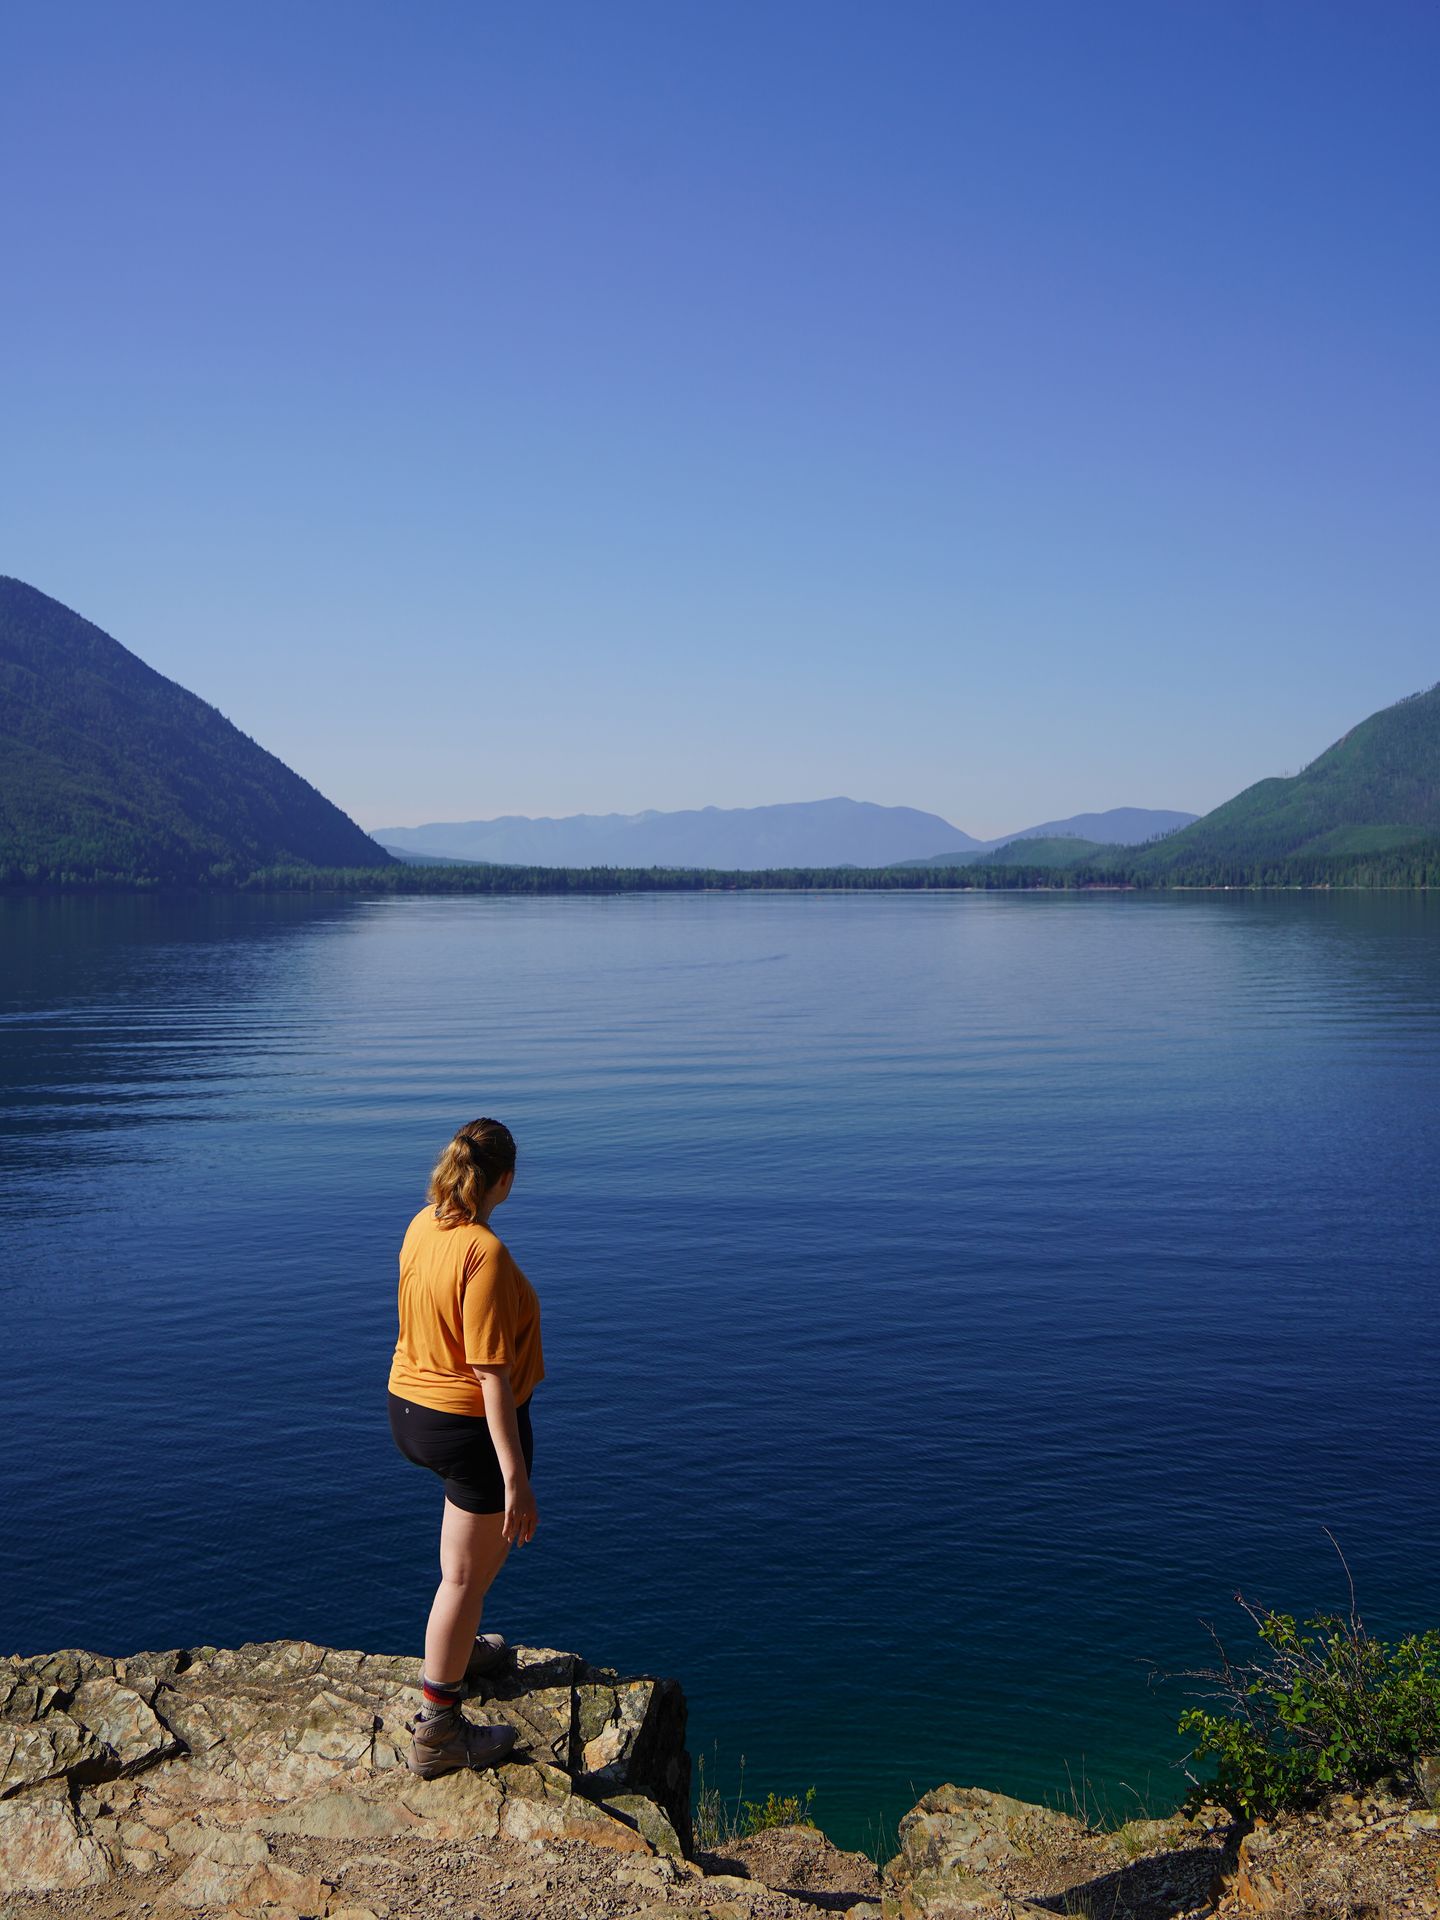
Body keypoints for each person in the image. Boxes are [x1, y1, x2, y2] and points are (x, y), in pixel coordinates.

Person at [387, 1117, 543, 1778]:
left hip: (407, 1406)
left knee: (465, 1573)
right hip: (466, 1423)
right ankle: (440, 1731)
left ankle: (461, 1647)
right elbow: (488, 1372)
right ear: (504, 1180)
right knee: (462, 1576)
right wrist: (516, 1477)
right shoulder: (483, 1251)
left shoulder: (423, 1223)